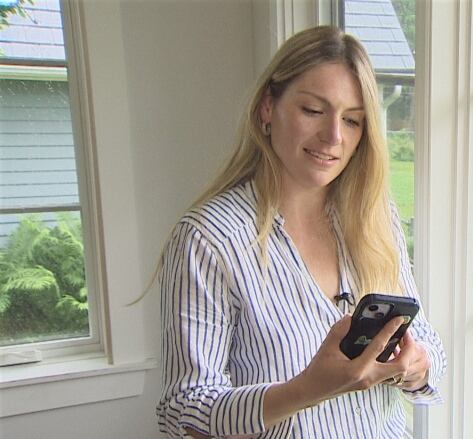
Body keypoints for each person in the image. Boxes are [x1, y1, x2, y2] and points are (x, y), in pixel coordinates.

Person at [156, 26, 446, 439]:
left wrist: (416, 367)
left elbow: (428, 341)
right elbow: (182, 412)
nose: (333, 137)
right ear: (267, 108)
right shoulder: (209, 240)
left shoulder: (374, 218)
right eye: (313, 110)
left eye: (352, 121)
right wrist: (304, 390)